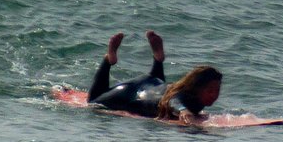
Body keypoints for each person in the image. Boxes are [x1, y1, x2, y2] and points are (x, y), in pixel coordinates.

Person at [84, 31, 223, 122]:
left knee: (160, 86)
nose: (214, 95)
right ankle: (108, 59)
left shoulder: (182, 90)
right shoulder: (184, 97)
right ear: (197, 87)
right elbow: (174, 101)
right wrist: (183, 110)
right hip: (131, 93)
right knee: (94, 101)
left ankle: (158, 59)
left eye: (217, 90)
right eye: (210, 90)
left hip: (152, 81)